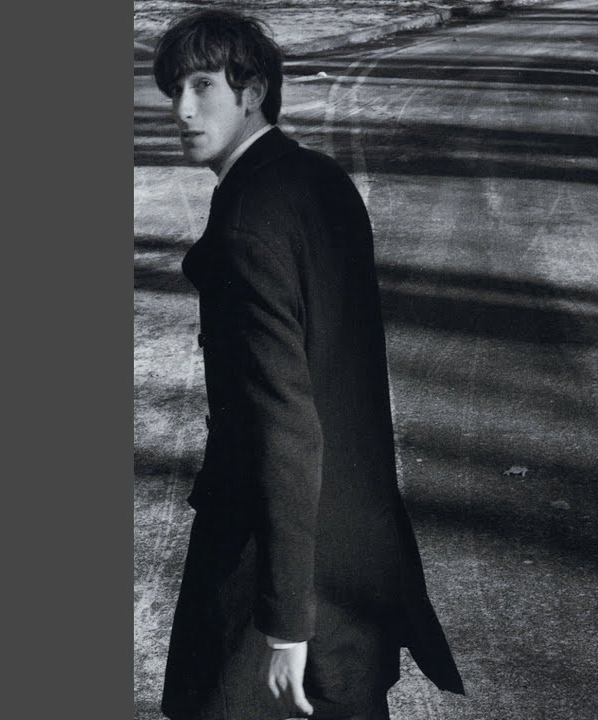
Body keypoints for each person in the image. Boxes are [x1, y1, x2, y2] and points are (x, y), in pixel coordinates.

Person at [152, 9, 464, 720]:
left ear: (254, 90)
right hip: (355, 548)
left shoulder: (246, 226)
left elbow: (283, 425)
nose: (183, 110)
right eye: (174, 90)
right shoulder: (318, 180)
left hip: (276, 561)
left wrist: (287, 620)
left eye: (203, 85)